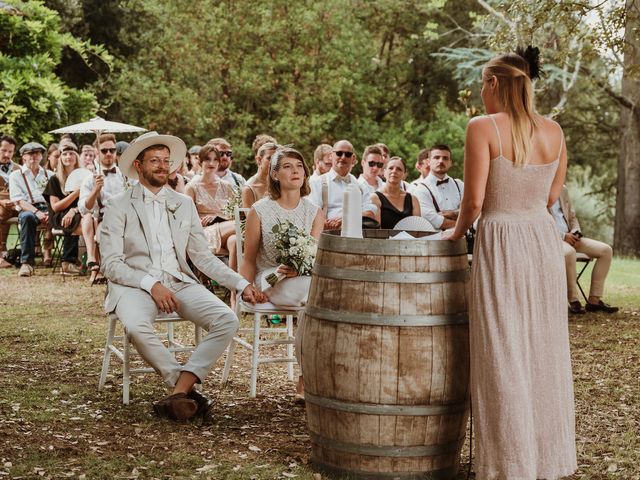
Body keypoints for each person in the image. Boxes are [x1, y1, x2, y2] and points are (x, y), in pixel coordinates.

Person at [443, 48, 577, 479]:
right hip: (541, 241)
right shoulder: (554, 131)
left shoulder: (482, 127)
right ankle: (546, 459)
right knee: (542, 346)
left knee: (501, 347)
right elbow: (551, 198)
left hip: (501, 240)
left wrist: (454, 231)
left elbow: (476, 201)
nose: (482, 93)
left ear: (495, 82)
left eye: (483, 84)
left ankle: (508, 464)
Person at [100, 131, 266, 421]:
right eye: (155, 160)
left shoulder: (183, 203)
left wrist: (240, 284)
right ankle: (186, 391)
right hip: (134, 285)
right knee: (137, 327)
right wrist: (152, 285)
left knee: (227, 319)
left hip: (180, 281)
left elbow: (202, 257)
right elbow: (111, 264)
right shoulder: (117, 205)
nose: (163, 166)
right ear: (138, 166)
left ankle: (180, 392)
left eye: (166, 160)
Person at [241, 146, 324, 400]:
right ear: (275, 175)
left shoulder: (314, 212)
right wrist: (245, 288)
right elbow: (248, 258)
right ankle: (310, 378)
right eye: (287, 166)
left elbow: (313, 256)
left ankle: (306, 377)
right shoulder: (260, 210)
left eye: (299, 166)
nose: (295, 171)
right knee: (318, 300)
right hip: (270, 278)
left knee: (315, 299)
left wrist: (301, 264)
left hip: (303, 280)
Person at [551, 186, 618, 314]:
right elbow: (539, 224)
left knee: (606, 250)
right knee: (569, 253)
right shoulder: (538, 188)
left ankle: (594, 300)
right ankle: (574, 300)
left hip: (572, 238)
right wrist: (564, 236)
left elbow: (572, 217)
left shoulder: (563, 189)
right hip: (553, 240)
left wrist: (576, 231)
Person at [78, 134, 126, 282]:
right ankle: (102, 268)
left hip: (127, 217)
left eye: (112, 150)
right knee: (102, 234)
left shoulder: (126, 176)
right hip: (103, 219)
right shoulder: (89, 179)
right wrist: (95, 190)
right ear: (97, 153)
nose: (109, 154)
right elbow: (84, 209)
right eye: (104, 151)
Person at [308, 139, 376, 230]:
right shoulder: (317, 183)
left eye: (348, 154)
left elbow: (370, 213)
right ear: (331, 156)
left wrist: (346, 219)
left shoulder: (360, 185)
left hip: (356, 236)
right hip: (327, 236)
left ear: (353, 158)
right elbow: (311, 214)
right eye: (339, 153)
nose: (343, 157)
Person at [9, 142, 54, 276]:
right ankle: (27, 264)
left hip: (49, 207)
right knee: (27, 217)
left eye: (37, 154)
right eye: (30, 154)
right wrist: (37, 212)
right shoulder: (15, 176)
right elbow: (19, 201)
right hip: (28, 208)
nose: (33, 157)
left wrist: (50, 212)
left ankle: (69, 260)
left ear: (41, 156)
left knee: (69, 216)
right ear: (23, 157)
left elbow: (55, 197)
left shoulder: (50, 175)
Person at [184, 144, 237, 256]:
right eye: (207, 159)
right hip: (204, 232)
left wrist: (220, 218)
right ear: (200, 161)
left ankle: (235, 274)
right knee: (242, 225)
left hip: (227, 228)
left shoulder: (227, 186)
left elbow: (235, 214)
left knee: (234, 241)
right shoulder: (191, 187)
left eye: (215, 160)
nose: (212, 163)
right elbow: (187, 219)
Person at [43, 141, 83, 275]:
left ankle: (88, 260)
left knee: (90, 219)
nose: (68, 157)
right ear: (60, 158)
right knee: (76, 221)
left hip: (78, 212)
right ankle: (67, 261)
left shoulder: (83, 177)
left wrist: (74, 210)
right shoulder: (54, 180)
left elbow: (86, 202)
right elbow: (55, 207)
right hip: (58, 216)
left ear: (76, 157)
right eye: (64, 154)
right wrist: (76, 193)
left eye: (72, 153)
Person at [412, 144, 464, 231]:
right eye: (436, 157)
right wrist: (464, 221)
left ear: (450, 163)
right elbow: (433, 221)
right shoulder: (420, 189)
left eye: (445, 158)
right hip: (436, 242)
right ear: (429, 161)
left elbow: (471, 211)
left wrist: (452, 214)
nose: (441, 161)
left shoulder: (460, 185)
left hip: (464, 240)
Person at [371, 157, 420, 229]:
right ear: (384, 172)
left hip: (409, 240)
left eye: (399, 169)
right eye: (391, 168)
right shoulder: (375, 198)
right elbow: (377, 232)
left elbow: (418, 230)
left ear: (404, 175)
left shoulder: (413, 200)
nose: (394, 171)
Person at [0, 135, 20, 267]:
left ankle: (32, 252)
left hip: (18, 205)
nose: (7, 154)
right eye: (3, 150)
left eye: (10, 151)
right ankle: (1, 253)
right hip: (1, 205)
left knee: (32, 215)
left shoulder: (19, 169)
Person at [242, 142, 276, 208]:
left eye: (277, 158)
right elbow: (250, 218)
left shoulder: (281, 183)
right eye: (269, 158)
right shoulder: (249, 189)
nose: (274, 162)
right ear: (259, 160)